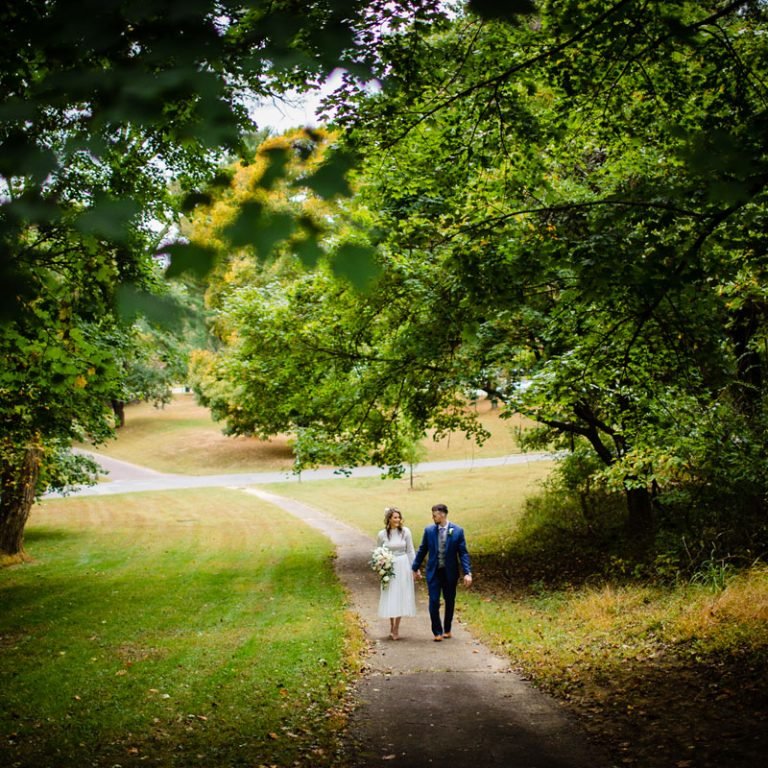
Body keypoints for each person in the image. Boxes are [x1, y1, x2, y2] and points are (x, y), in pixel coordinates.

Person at [412, 503, 472, 641]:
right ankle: (437, 632)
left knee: (449, 601)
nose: (433, 517)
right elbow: (422, 550)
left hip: (450, 573)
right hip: (434, 572)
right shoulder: (429, 531)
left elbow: (463, 554)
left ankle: (448, 629)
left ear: (442, 515)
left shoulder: (457, 531)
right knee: (433, 601)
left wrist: (467, 572)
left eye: (435, 515)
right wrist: (414, 568)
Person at [376, 507, 417, 640]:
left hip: (403, 565)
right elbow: (378, 551)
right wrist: (381, 564)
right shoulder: (382, 534)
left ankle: (396, 628)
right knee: (390, 594)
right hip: (389, 566)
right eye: (395, 517)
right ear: (389, 519)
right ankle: (391, 623)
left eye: (399, 517)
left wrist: (414, 567)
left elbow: (410, 550)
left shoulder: (405, 532)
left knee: (400, 594)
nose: (398, 520)